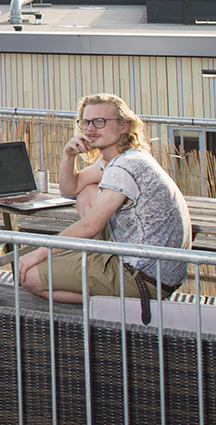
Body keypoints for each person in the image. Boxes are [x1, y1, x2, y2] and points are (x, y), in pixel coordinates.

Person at [15, 93, 191, 307]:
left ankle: (110, 305)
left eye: (100, 122)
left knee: (28, 276)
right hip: (156, 272)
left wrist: (40, 252)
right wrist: (68, 155)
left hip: (142, 278)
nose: (90, 129)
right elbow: (71, 188)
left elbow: (91, 226)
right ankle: (97, 273)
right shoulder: (126, 157)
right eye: (86, 122)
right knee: (87, 189)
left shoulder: (123, 167)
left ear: (124, 126)